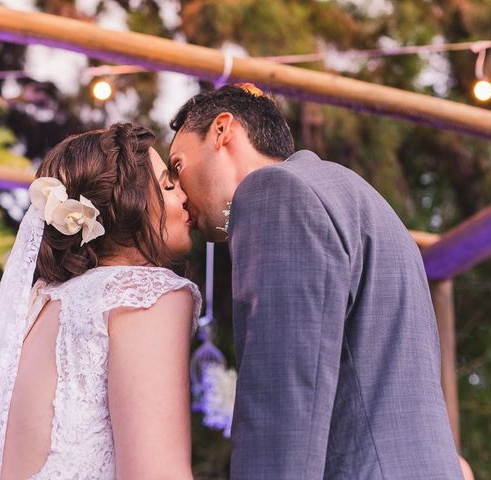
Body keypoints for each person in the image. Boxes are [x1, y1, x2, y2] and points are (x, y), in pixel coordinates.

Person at [169, 83, 464, 479]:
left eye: (177, 166)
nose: (180, 194)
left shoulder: (273, 192)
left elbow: (283, 403)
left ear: (223, 130)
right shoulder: (355, 194)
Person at [0, 123, 201, 480]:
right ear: (129, 203)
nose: (184, 195)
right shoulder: (144, 294)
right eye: (168, 186)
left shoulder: (41, 305)